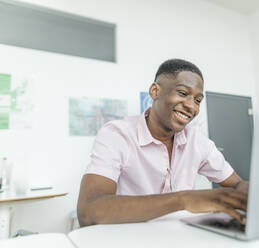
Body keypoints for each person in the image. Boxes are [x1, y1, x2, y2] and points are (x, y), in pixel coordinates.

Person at [77, 59, 249, 227]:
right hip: (131, 239)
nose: (191, 106)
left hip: (181, 237)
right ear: (155, 91)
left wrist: (248, 195)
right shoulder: (117, 135)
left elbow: (237, 184)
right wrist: (183, 199)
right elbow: (89, 210)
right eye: (182, 93)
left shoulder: (197, 141)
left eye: (197, 100)